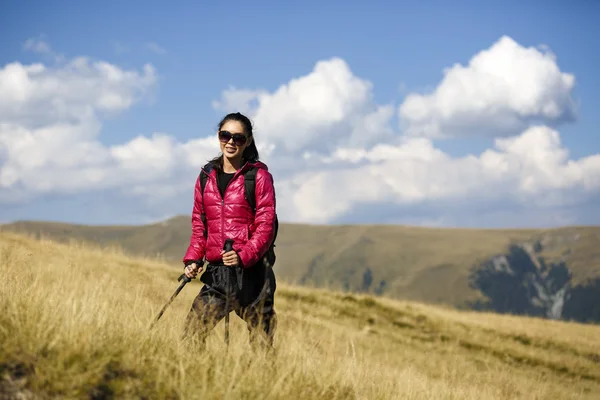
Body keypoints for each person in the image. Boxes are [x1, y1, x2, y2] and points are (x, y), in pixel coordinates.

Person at [181, 111, 278, 351]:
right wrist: (194, 258)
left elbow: (266, 225)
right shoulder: (206, 177)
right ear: (218, 136)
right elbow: (199, 224)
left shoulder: (259, 177)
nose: (231, 142)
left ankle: (264, 387)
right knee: (192, 335)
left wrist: (243, 255)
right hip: (218, 275)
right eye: (226, 135)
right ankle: (197, 383)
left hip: (253, 275)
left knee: (261, 345)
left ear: (248, 141)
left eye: (239, 138)